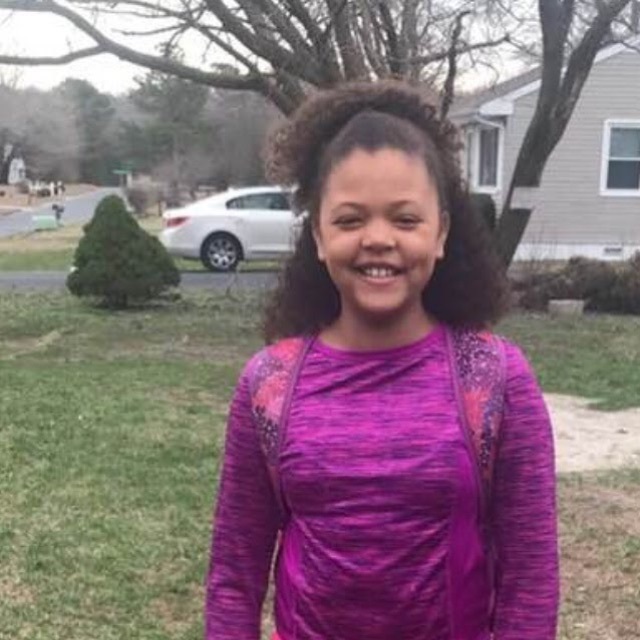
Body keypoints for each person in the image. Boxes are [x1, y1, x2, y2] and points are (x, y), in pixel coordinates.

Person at [204, 81, 559, 640]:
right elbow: (233, 572)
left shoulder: (495, 378)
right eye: (349, 220)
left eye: (405, 219)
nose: (377, 239)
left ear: (441, 232)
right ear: (318, 235)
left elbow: (530, 578)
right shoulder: (269, 384)